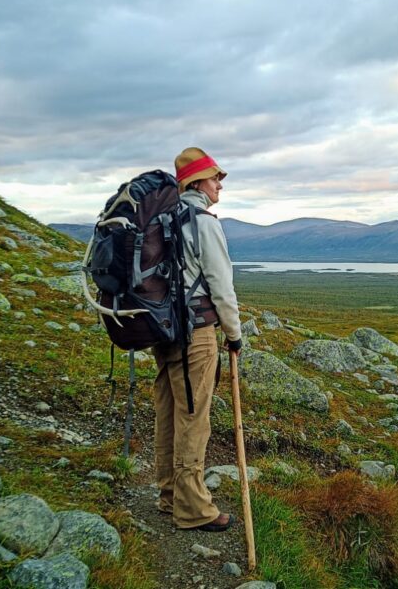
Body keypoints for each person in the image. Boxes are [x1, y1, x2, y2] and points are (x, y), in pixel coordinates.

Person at [152, 146, 242, 532]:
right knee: (194, 417)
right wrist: (234, 335)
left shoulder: (164, 218)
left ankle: (170, 495)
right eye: (215, 177)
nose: (220, 183)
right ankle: (193, 509)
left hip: (165, 330)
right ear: (196, 182)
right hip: (197, 333)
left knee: (169, 412)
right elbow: (221, 285)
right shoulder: (204, 222)